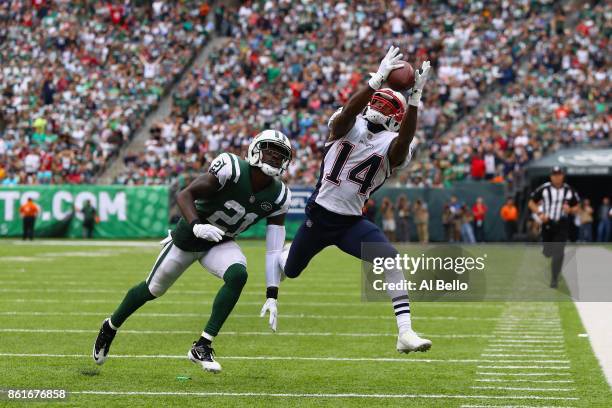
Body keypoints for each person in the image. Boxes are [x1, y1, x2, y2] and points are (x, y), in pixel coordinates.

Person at [93, 130, 293, 373]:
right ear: (255, 149)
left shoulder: (280, 195)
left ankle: (202, 345)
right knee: (153, 289)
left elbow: (273, 250)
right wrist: (197, 225)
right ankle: (110, 326)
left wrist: (272, 294)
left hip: (221, 241)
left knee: (238, 275)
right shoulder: (231, 167)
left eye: (280, 154)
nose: (273, 157)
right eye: (269, 149)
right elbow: (185, 194)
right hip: (189, 237)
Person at [279, 47, 432, 353]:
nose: (379, 105)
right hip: (320, 215)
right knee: (291, 270)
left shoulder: (394, 143)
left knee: (391, 259)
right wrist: (376, 80)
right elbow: (348, 112)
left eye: (388, 104)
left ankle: (405, 332)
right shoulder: (347, 123)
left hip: (351, 223)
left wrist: (413, 100)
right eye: (377, 99)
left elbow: (403, 143)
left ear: (398, 117)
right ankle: (284, 255)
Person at [528, 166, 579, 288]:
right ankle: (547, 251)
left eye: (559, 174)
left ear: (562, 176)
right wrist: (540, 214)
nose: (557, 177)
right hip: (547, 223)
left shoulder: (568, 190)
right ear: (551, 176)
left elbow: (577, 206)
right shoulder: (544, 188)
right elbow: (531, 202)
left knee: (559, 251)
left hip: (562, 223)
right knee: (547, 252)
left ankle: (554, 278)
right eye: (554, 175)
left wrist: (570, 209)